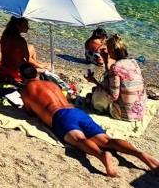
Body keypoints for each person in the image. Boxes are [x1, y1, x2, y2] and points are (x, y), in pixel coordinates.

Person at [19, 63, 158, 178]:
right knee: (106, 140)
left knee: (79, 140)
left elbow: (30, 113)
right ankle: (139, 154)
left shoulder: (25, 90)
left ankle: (102, 156)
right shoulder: (52, 85)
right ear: (37, 74)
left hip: (60, 117)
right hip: (77, 112)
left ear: (22, 78)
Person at [87, 34, 148, 122]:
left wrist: (95, 82)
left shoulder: (116, 68)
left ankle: (98, 107)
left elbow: (113, 96)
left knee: (98, 92)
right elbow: (111, 78)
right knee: (100, 88)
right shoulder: (133, 62)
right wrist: (105, 60)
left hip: (125, 114)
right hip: (139, 111)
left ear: (111, 51)